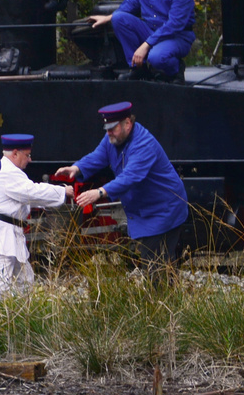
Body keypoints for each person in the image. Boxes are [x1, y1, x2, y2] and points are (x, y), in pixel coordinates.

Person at [56, 102, 189, 276]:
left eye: (112, 128)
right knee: (157, 264)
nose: (108, 132)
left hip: (163, 209)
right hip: (149, 209)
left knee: (155, 267)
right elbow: (98, 155)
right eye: (107, 128)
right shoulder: (114, 138)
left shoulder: (143, 144)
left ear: (128, 123)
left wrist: (99, 192)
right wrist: (77, 168)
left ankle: (161, 299)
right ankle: (167, 297)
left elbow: (130, 177)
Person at [0, 134, 73, 305]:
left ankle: (20, 320)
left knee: (25, 281)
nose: (30, 160)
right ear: (15, 153)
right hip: (1, 235)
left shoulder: (9, 171)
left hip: (10, 232)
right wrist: (62, 191)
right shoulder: (7, 172)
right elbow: (32, 192)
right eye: (27, 155)